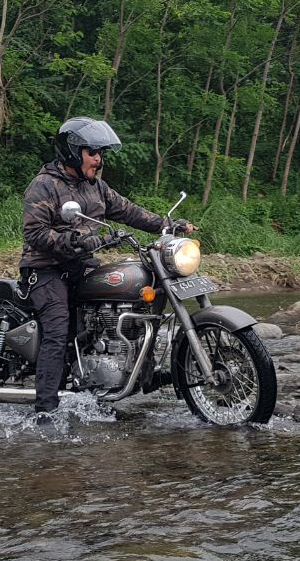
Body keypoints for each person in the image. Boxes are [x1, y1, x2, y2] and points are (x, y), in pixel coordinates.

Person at [20, 117, 193, 414]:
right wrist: (77, 240)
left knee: (137, 298)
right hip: (46, 269)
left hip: (82, 267)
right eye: (92, 152)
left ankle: (138, 370)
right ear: (72, 151)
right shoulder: (45, 185)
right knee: (57, 332)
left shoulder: (96, 187)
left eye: (101, 153)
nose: (99, 159)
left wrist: (167, 224)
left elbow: (129, 211)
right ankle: (45, 411)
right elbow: (34, 233)